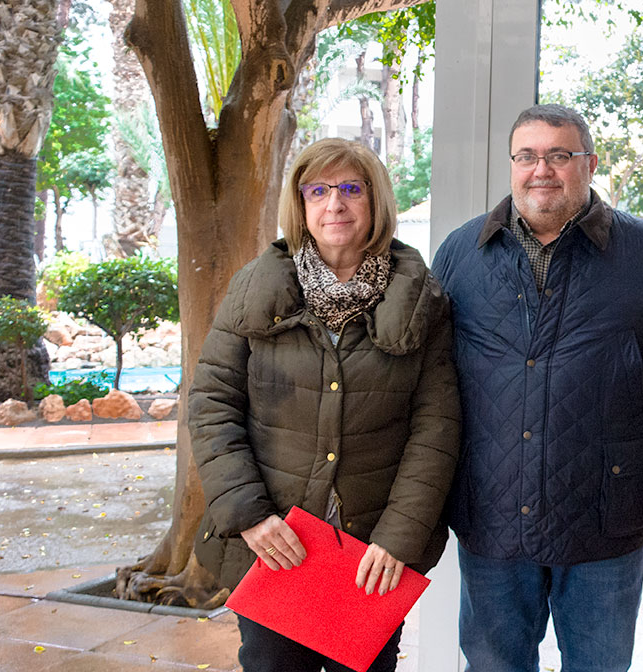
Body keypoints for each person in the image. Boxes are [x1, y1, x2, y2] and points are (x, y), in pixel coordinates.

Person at [189, 138, 460, 672]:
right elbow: (212, 403)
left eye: (350, 189)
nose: (334, 203)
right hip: (276, 543)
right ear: (302, 205)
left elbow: (437, 427)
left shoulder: (422, 300)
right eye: (318, 190)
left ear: (375, 202)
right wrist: (250, 516)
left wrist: (397, 539)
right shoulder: (253, 289)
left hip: (370, 556)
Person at [432, 103, 643, 671]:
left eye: (559, 155)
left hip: (606, 519)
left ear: (589, 164)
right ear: (512, 165)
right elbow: (432, 382)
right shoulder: (460, 253)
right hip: (491, 515)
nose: (541, 169)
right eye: (527, 156)